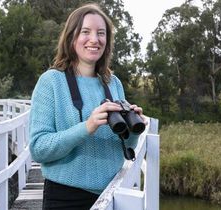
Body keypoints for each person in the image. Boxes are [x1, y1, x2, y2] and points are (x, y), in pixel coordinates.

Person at [29, 3, 145, 210]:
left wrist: (134, 128)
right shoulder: (51, 82)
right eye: (86, 32)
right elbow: (39, 149)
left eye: (101, 33)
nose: (94, 39)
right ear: (72, 37)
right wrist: (87, 127)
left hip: (112, 193)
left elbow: (126, 146)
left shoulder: (112, 83)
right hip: (66, 198)